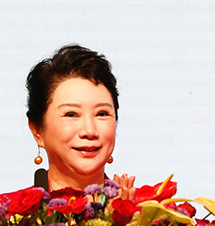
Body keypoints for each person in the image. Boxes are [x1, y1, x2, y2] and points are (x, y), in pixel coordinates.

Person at [26, 44, 135, 198]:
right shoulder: (2, 211)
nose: (89, 131)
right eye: (71, 114)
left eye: (102, 113)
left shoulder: (153, 211)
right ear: (38, 130)